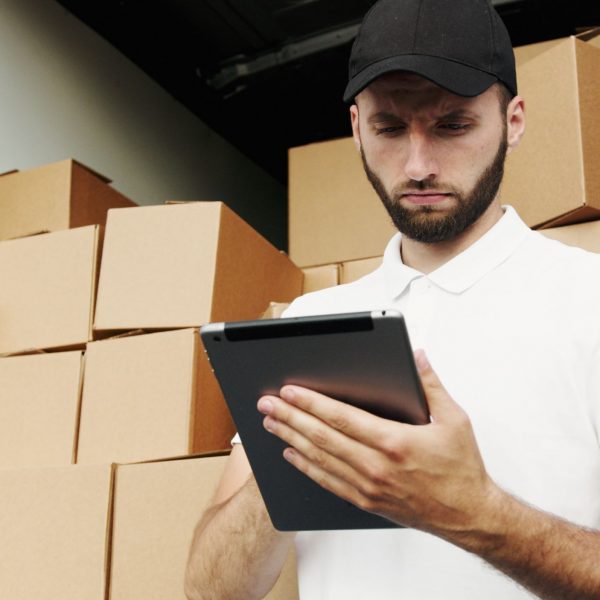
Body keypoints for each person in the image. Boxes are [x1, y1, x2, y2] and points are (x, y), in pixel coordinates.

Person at [185, 0, 600, 598]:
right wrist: (299, 457)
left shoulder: (587, 300)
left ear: (513, 120)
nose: (418, 164)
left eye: (452, 125)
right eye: (389, 128)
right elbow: (211, 590)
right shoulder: (310, 323)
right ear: (356, 128)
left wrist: (479, 512)